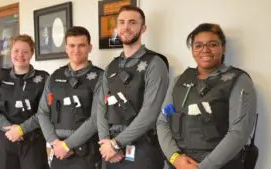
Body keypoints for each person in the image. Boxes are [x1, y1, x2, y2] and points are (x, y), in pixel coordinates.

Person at [157, 23, 257, 169]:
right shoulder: (179, 80)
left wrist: (201, 168)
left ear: (224, 47)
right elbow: (162, 122)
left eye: (213, 44)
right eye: (198, 45)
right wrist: (175, 158)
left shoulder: (239, 80)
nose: (205, 50)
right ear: (192, 50)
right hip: (180, 163)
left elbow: (239, 132)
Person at [97, 5, 169, 169]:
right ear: (116, 27)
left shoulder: (155, 63)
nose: (126, 27)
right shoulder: (111, 66)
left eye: (132, 22)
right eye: (121, 22)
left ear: (143, 28)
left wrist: (116, 144)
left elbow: (150, 112)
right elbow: (101, 105)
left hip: (143, 148)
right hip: (110, 151)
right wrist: (105, 141)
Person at [36, 26, 103, 169]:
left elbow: (97, 118)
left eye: (81, 45)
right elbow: (42, 112)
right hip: (58, 151)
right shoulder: (54, 77)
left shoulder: (101, 77)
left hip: (86, 153)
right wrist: (55, 143)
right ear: (66, 48)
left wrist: (67, 145)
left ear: (90, 47)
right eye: (72, 45)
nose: (76, 50)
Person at [0, 34, 49, 169]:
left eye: (25, 51)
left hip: (33, 141)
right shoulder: (1, 76)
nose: (20, 55)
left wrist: (21, 130)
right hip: (6, 139)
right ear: (11, 52)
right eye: (16, 51)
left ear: (31, 54)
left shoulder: (44, 78)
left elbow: (45, 111)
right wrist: (7, 127)